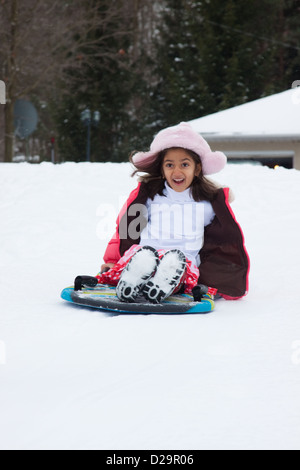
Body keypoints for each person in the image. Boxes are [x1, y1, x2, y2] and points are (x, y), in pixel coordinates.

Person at [96, 122, 250, 303]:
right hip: (145, 253)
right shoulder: (150, 197)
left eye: (184, 164)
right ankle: (133, 278)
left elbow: (222, 238)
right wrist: (113, 260)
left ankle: (164, 283)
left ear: (197, 168)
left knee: (178, 266)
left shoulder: (207, 204)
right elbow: (126, 229)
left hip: (182, 259)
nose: (177, 171)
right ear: (162, 169)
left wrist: (220, 196)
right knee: (142, 257)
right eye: (169, 165)